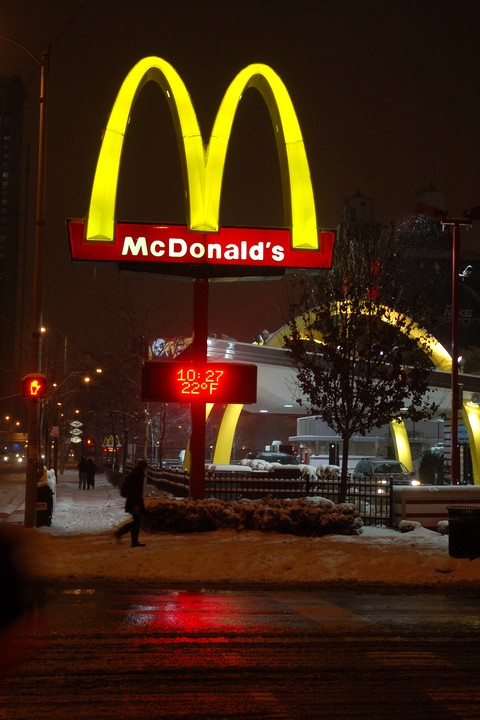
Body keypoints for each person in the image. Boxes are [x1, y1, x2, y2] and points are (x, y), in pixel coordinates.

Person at [114, 460, 147, 547]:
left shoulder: (134, 473)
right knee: (136, 522)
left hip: (133, 501)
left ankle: (133, 541)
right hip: (135, 502)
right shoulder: (138, 475)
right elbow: (136, 490)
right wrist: (138, 502)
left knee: (136, 521)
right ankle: (121, 533)